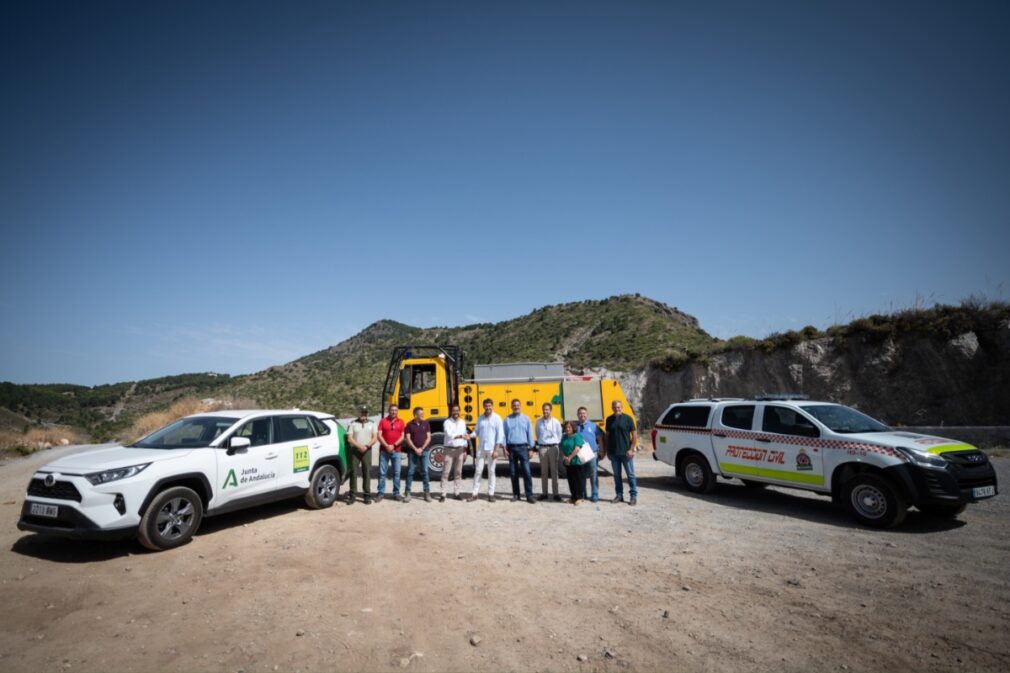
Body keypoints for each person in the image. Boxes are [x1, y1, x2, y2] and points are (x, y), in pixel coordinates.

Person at [468, 399, 504, 502]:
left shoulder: (497, 418)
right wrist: (469, 436)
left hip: (492, 449)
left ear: (492, 406)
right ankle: (474, 494)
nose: (488, 407)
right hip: (481, 449)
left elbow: (500, 435)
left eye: (489, 406)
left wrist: (496, 450)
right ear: (483, 406)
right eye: (486, 406)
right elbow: (476, 432)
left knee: (491, 471)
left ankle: (491, 494)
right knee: (478, 471)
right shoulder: (480, 418)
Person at [605, 400, 638, 506]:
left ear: (622, 408)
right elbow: (607, 436)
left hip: (626, 453)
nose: (617, 409)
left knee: (630, 475)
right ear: (612, 408)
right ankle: (619, 495)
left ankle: (633, 496)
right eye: (614, 407)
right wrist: (607, 450)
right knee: (617, 476)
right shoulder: (609, 419)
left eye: (618, 407)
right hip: (614, 453)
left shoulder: (628, 419)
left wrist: (631, 449)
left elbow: (634, 435)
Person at [502, 398, 536, 503]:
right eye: (514, 405)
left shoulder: (526, 419)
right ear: (511, 407)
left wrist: (531, 448)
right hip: (511, 448)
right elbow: (504, 435)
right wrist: (504, 448)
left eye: (518, 405)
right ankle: (516, 494)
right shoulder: (507, 419)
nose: (516, 407)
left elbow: (530, 434)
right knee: (513, 473)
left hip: (523, 448)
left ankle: (529, 495)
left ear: (520, 406)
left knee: (527, 472)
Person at [345, 406, 377, 505]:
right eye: (362, 412)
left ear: (368, 413)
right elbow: (350, 438)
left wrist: (366, 446)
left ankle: (367, 495)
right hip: (355, 450)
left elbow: (375, 437)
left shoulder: (372, 423)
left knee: (366, 472)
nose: (364, 414)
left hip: (367, 450)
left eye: (365, 412)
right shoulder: (353, 423)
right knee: (353, 472)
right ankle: (352, 495)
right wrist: (359, 446)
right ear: (359, 413)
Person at [376, 404, 405, 502]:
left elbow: (402, 436)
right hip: (384, 451)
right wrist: (387, 446)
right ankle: (380, 493)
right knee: (382, 473)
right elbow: (379, 435)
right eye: (392, 410)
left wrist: (393, 445)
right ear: (389, 411)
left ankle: (396, 493)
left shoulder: (401, 422)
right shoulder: (383, 421)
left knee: (397, 473)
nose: (393, 412)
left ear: (397, 412)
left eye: (395, 410)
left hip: (396, 451)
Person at [576, 406, 605, 503]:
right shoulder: (575, 427)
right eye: (580, 413)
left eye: (584, 413)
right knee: (582, 475)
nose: (582, 415)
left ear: (587, 415)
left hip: (593, 453)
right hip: (581, 453)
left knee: (594, 474)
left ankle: (595, 494)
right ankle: (583, 494)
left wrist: (601, 450)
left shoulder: (593, 426)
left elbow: (600, 439)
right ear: (577, 415)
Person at [536, 402, 563, 501]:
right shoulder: (539, 422)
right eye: (544, 409)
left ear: (551, 410)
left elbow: (559, 435)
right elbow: (538, 435)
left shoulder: (556, 422)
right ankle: (544, 493)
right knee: (543, 472)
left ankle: (556, 494)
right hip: (543, 448)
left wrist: (554, 443)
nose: (545, 411)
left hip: (553, 448)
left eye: (547, 409)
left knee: (554, 471)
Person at [440, 404, 469, 501]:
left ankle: (456, 493)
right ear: (451, 412)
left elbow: (465, 436)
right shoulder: (447, 422)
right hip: (449, 450)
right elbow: (449, 434)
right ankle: (443, 494)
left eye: (457, 411)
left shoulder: (462, 422)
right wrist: (461, 436)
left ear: (459, 411)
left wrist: (465, 449)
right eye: (454, 411)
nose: (456, 412)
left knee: (458, 472)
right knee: (446, 472)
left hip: (460, 449)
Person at [403, 407, 432, 503]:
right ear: (416, 415)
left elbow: (429, 438)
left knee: (425, 472)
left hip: (424, 451)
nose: (423, 415)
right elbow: (408, 439)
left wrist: (422, 449)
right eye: (421, 414)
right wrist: (415, 449)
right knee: (411, 472)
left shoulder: (426, 423)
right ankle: (407, 492)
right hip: (412, 452)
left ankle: (427, 493)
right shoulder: (409, 425)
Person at [560, 421, 587, 504]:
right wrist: (564, 456)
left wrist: (570, 458)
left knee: (578, 480)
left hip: (576, 461)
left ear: (573, 428)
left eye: (569, 427)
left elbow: (577, 448)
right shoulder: (564, 437)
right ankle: (573, 497)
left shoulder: (577, 436)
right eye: (566, 427)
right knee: (571, 480)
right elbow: (562, 447)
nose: (568, 429)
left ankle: (580, 497)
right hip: (568, 462)